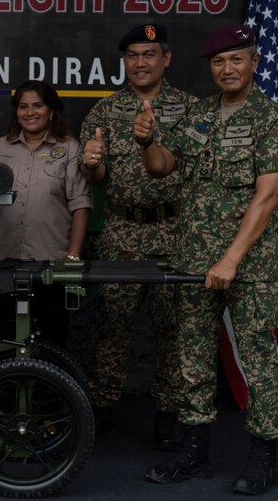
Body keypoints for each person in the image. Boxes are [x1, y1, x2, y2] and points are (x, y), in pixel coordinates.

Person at [137, 24, 278, 495]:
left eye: (237, 59)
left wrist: (230, 259)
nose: (227, 69)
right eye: (219, 62)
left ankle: (264, 456)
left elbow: (267, 198)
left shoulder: (271, 119)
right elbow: (164, 167)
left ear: (254, 63)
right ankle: (194, 452)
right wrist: (148, 143)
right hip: (193, 257)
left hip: (248, 264)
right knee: (193, 355)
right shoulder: (201, 114)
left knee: (258, 356)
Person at [79, 24, 195, 449]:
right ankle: (104, 410)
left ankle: (168, 416)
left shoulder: (191, 109)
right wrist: (91, 164)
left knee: (174, 329)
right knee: (113, 326)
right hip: (122, 230)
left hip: (175, 231)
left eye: (149, 54)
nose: (140, 62)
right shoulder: (105, 111)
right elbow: (97, 174)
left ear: (166, 58)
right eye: (132, 55)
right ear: (124, 61)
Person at [0, 80, 91, 347]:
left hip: (52, 263)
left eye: (37, 105)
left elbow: (80, 203)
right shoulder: (1, 147)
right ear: (16, 112)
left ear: (51, 110)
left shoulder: (69, 148)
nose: (30, 112)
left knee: (53, 340)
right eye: (23, 106)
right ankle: (16, 390)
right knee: (11, 339)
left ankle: (50, 390)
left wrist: (72, 255)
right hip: (7, 261)